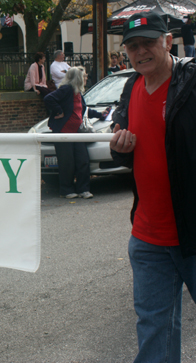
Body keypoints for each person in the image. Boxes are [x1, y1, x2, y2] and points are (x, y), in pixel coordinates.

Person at [109, 11, 196, 363]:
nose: (140, 52)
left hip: (192, 231)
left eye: (148, 43)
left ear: (168, 41)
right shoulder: (130, 87)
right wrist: (120, 150)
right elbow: (130, 153)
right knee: (153, 327)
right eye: (132, 46)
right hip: (148, 236)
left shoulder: (191, 83)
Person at [44, 67, 107, 199]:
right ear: (78, 78)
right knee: (67, 163)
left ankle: (83, 189)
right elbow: (49, 98)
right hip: (63, 133)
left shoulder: (78, 93)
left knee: (82, 160)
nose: (86, 79)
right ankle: (66, 190)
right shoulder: (66, 90)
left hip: (77, 132)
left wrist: (100, 115)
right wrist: (59, 111)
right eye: (84, 76)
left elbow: (83, 110)